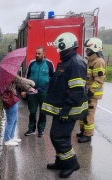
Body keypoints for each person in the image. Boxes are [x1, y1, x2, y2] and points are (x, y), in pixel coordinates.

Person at [41, 32, 88, 178]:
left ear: (65, 46)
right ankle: (61, 161)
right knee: (60, 136)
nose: (58, 52)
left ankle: (72, 163)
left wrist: (65, 110)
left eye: (59, 49)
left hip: (69, 110)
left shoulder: (76, 63)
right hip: (62, 109)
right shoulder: (68, 61)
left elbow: (77, 91)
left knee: (58, 136)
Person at [77, 37, 106, 143]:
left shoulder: (98, 62)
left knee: (89, 114)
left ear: (94, 49)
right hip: (86, 93)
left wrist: (91, 91)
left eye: (88, 49)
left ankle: (88, 135)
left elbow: (99, 80)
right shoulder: (91, 61)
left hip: (92, 94)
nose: (86, 51)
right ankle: (83, 131)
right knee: (83, 113)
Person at [21, 46, 55, 137]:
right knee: (32, 111)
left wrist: (52, 92)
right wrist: (24, 90)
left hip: (44, 91)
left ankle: (41, 130)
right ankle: (31, 129)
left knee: (43, 111)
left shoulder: (49, 64)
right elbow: (26, 78)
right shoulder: (32, 63)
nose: (37, 55)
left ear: (44, 54)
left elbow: (53, 78)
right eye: (36, 53)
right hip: (32, 91)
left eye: (39, 54)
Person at [3, 75, 35, 146]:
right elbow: (20, 81)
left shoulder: (5, 74)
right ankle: (7, 140)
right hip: (10, 99)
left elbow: (18, 83)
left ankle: (11, 137)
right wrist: (31, 82)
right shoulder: (10, 74)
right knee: (11, 121)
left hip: (12, 98)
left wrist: (29, 88)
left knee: (15, 120)